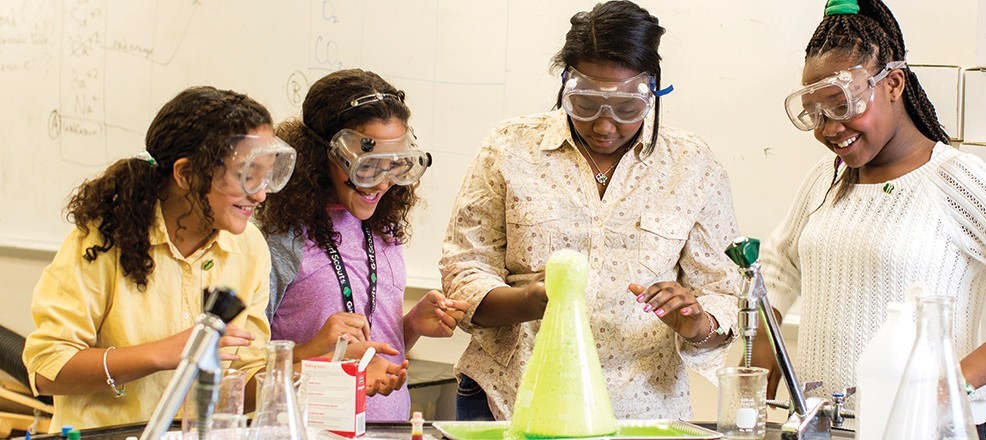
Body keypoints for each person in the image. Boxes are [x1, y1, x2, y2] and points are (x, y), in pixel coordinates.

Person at [759, 0, 986, 437]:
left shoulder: (956, 180)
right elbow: (779, 263)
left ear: (894, 83)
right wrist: (763, 346)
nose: (830, 128)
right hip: (826, 426)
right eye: (817, 113)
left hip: (925, 430)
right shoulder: (825, 179)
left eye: (842, 105)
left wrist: (949, 388)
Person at [439, 0, 742, 421]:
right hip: (510, 398)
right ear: (565, 85)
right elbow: (464, 267)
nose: (604, 125)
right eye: (585, 104)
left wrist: (694, 323)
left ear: (653, 92)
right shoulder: (508, 147)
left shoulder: (692, 165)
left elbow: (724, 291)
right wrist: (529, 301)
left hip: (639, 410)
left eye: (627, 108)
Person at [22, 86, 297, 430]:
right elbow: (48, 370)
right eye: (246, 176)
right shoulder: (103, 237)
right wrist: (163, 353)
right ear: (185, 174)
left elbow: (243, 376)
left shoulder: (249, 248)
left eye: (265, 176)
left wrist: (311, 369)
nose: (260, 195)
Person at [256, 68, 469, 422]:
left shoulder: (382, 228)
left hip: (388, 427)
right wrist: (321, 356)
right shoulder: (282, 238)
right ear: (320, 155)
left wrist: (411, 326)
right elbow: (247, 374)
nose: (382, 183)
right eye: (367, 168)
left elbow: (371, 350)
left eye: (395, 166)